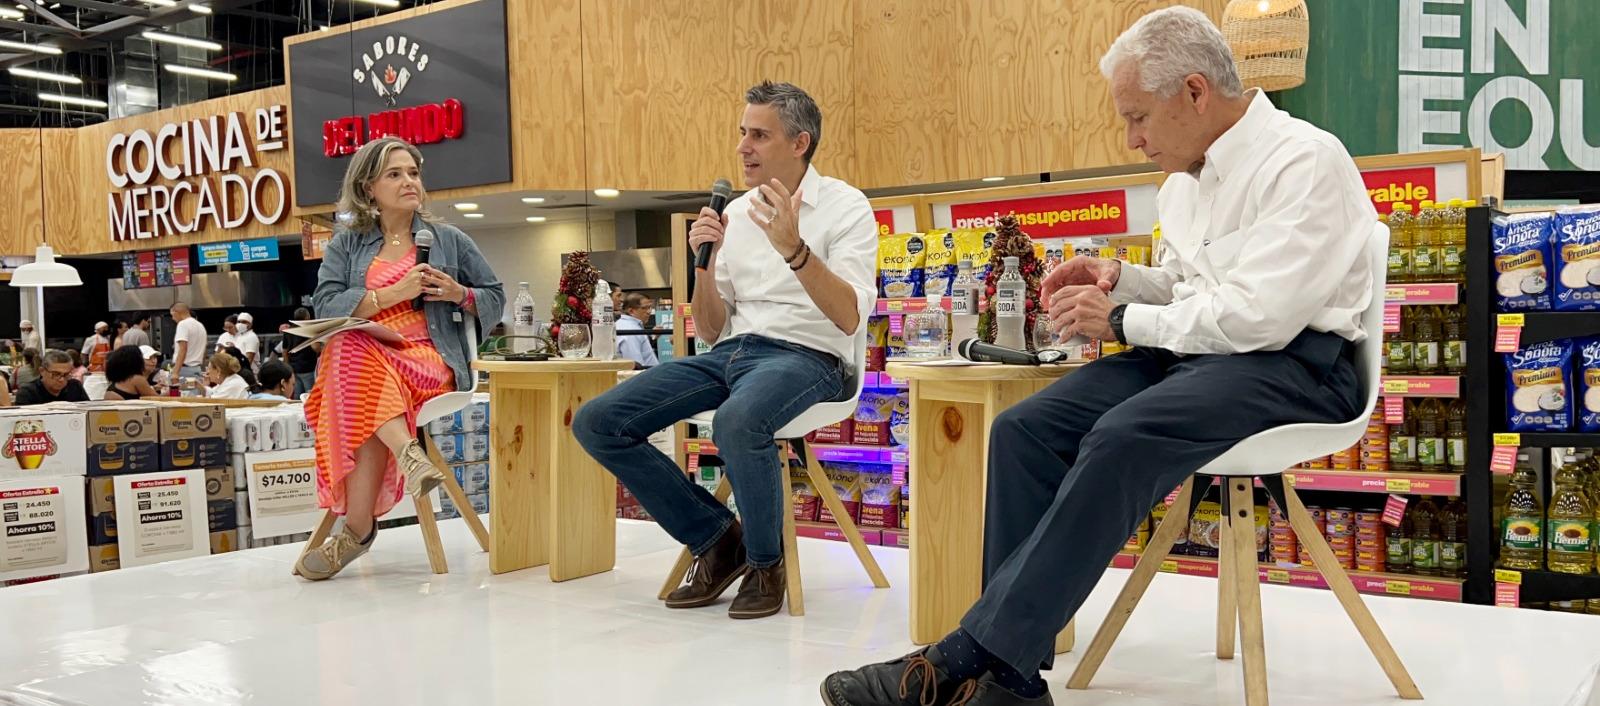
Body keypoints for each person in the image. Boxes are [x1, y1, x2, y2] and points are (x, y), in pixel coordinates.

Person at [822, 9, 1374, 705]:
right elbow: (1194, 287)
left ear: (1196, 93)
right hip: (1207, 358)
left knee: (1124, 436)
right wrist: (1120, 278)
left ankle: (964, 659)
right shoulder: (1184, 180)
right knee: (1024, 431)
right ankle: (1012, 683)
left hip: (1296, 367)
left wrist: (1123, 318)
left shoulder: (1304, 160)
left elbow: (1261, 316)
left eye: (1138, 117)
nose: (1133, 140)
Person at [573, 82, 877, 620]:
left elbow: (850, 316)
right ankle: (718, 538)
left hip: (812, 358)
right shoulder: (734, 214)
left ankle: (766, 563)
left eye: (759, 135)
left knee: (738, 421)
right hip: (734, 353)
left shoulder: (845, 207)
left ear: (800, 142)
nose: (742, 147)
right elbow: (712, 330)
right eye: (742, 133)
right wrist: (704, 266)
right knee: (599, 420)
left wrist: (794, 248)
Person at [295, 135, 505, 581]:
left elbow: (495, 295)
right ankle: (408, 454)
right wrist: (393, 293)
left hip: (430, 358)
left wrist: (458, 292)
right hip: (373, 362)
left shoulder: (449, 240)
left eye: (413, 172)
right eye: (395, 174)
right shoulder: (347, 243)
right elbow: (325, 303)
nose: (409, 181)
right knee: (356, 354)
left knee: (352, 364)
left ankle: (357, 531)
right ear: (369, 186)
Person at [15, 349, 89, 405]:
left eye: (66, 375)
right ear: (42, 371)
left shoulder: (75, 386)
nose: (61, 379)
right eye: (56, 374)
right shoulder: (27, 392)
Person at [280, 306, 322, 396]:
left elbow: (284, 352)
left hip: (294, 369)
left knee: (297, 395)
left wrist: (289, 368)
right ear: (307, 317)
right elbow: (315, 347)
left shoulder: (288, 331)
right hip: (308, 368)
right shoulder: (310, 330)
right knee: (309, 395)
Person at [615, 292, 659, 369]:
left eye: (649, 307)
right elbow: (635, 366)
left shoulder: (629, 325)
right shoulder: (630, 329)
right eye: (644, 308)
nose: (649, 312)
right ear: (631, 311)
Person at [170, 303, 208, 381]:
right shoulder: (200, 325)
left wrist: (175, 372)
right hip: (197, 369)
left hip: (184, 370)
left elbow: (183, 349)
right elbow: (204, 350)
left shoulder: (182, 324)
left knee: (180, 393)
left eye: (172, 315)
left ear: (176, 312)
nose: (172, 318)